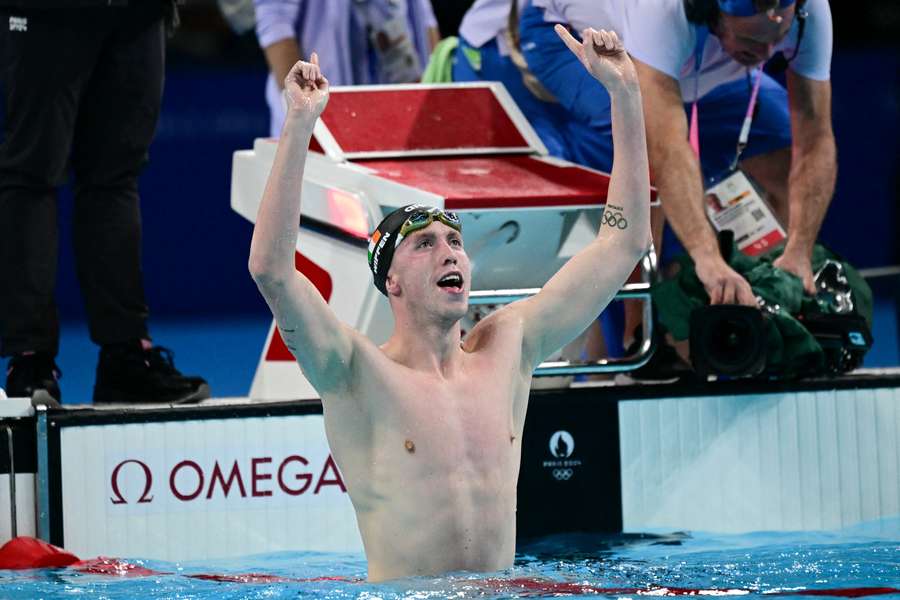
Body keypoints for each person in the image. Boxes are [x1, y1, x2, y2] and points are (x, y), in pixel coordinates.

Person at [248, 25, 649, 580]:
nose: (450, 253)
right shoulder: (354, 372)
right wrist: (299, 124)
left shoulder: (509, 349)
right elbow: (272, 270)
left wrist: (625, 94)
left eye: (456, 242)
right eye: (425, 245)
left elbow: (622, 244)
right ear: (391, 281)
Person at [457, 0, 834, 312]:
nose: (767, 55)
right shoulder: (661, 9)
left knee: (780, 144)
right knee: (640, 160)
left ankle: (779, 295)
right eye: (752, 40)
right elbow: (666, 149)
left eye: (778, 41)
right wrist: (707, 258)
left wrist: (800, 250)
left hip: (695, 54)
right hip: (569, 36)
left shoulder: (810, 10)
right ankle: (640, 332)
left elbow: (815, 140)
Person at [0, 0, 209, 405]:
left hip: (139, 12)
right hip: (44, 11)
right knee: (32, 174)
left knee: (116, 178)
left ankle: (125, 356)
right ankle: (28, 359)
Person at [254, 0, 440, 137]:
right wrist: (306, 119)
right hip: (325, 120)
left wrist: (432, 108)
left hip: (400, 115)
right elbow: (276, 26)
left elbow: (425, 18)